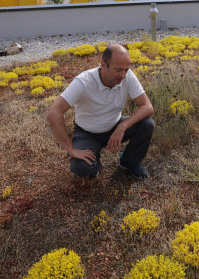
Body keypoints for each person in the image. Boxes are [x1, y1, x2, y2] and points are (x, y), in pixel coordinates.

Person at [46, 44, 155, 179]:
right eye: (118, 70)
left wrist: (122, 126)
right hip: (88, 133)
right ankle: (94, 163)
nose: (123, 75)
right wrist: (71, 150)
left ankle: (129, 161)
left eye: (126, 69)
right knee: (81, 167)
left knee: (147, 124)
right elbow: (53, 113)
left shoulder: (127, 76)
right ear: (103, 65)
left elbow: (147, 107)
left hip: (114, 126)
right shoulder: (83, 82)